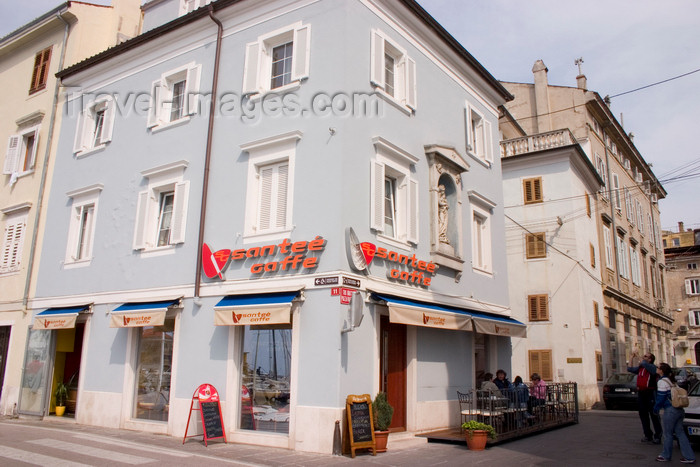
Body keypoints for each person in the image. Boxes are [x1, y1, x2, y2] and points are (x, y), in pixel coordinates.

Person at [653, 363, 695, 463]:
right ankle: (689, 457)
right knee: (680, 433)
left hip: (670, 410)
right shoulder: (672, 381)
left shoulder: (662, 382)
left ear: (661, 371)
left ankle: (666, 455)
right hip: (679, 409)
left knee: (668, 434)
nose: (656, 369)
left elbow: (661, 397)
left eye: (658, 368)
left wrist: (656, 408)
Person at [628, 351, 662, 444]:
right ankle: (648, 435)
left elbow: (643, 362)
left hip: (650, 393)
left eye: (646, 356)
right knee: (643, 414)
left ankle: (658, 435)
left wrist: (638, 356)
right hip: (641, 393)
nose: (643, 357)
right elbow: (630, 369)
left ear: (650, 359)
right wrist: (631, 357)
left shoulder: (652, 367)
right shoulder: (641, 368)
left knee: (654, 415)